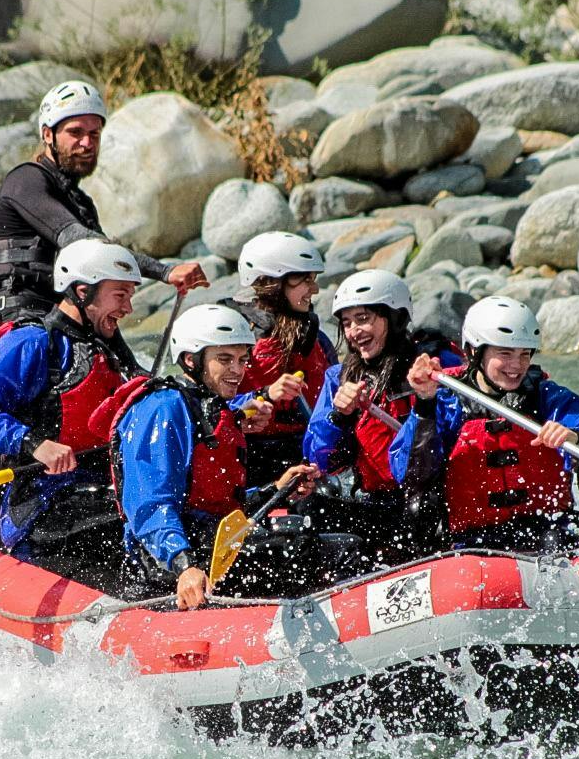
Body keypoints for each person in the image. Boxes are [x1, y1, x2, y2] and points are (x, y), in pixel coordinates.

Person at [0, 239, 146, 576]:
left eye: (130, 296)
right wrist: (33, 443)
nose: (128, 308)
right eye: (120, 295)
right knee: (138, 515)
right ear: (83, 292)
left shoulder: (109, 347)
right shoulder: (35, 341)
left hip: (101, 488)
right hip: (42, 505)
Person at [108, 305, 320, 609]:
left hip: (210, 542)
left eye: (242, 360)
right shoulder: (163, 407)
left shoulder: (212, 407)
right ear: (191, 360)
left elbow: (218, 504)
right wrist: (183, 564)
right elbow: (149, 503)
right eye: (225, 359)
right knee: (299, 548)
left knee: (308, 532)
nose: (238, 370)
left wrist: (276, 489)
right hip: (170, 561)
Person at [0, 80, 206, 320]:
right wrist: (165, 272)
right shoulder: (25, 181)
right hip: (13, 318)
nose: (87, 144)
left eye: (94, 134)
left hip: (60, 317)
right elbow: (85, 245)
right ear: (48, 134)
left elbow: (106, 270)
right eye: (75, 132)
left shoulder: (81, 203)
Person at [404, 297, 579, 554]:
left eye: (523, 354)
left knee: (558, 542)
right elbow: (410, 472)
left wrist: (575, 438)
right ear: (475, 352)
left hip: (547, 528)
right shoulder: (445, 399)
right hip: (473, 539)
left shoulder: (548, 397)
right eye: (505, 354)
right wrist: (424, 404)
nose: (517, 365)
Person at [302, 270, 461, 553]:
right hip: (377, 504)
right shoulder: (339, 378)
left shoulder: (437, 364)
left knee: (421, 506)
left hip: (434, 500)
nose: (353, 332)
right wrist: (339, 416)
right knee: (309, 505)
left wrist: (429, 393)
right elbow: (319, 461)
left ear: (395, 317)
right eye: (347, 323)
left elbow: (455, 431)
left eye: (363, 319)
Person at [228, 231, 334, 483]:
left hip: (306, 455)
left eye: (313, 279)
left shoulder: (316, 339)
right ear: (271, 283)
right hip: (250, 462)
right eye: (304, 280)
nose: (315, 289)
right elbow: (207, 411)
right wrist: (263, 394)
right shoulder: (236, 340)